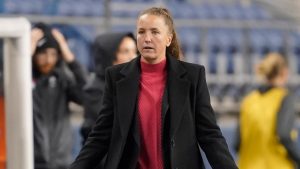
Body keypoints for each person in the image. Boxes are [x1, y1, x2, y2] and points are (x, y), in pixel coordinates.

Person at [69, 7, 237, 169]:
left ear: (168, 39)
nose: (147, 38)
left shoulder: (193, 76)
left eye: (155, 32)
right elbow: (100, 136)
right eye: (141, 32)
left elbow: (210, 135)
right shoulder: (116, 77)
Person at [31, 23, 87, 169]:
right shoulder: (23, 81)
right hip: (29, 160)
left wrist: (69, 56)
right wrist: (24, 54)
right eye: (43, 53)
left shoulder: (62, 80)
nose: (48, 59)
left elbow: (87, 94)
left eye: (53, 54)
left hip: (61, 161)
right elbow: (8, 85)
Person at [236, 53, 300, 169]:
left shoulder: (248, 101)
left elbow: (237, 143)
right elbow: (284, 135)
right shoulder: (284, 98)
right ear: (284, 72)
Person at [81, 32, 137, 144]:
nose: (133, 57)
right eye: (125, 51)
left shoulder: (133, 84)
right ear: (109, 56)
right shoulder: (94, 90)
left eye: (135, 52)